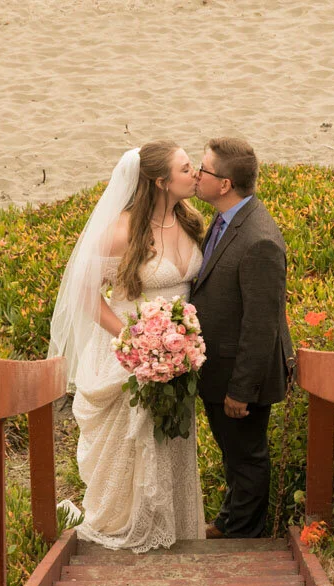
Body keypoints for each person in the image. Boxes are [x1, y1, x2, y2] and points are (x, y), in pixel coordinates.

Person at [47, 141, 207, 552]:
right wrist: (133, 339)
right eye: (186, 168)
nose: (196, 174)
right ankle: (125, 521)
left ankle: (174, 526)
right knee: (132, 445)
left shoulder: (190, 222)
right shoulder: (121, 231)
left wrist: (179, 344)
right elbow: (84, 295)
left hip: (179, 353)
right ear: (160, 181)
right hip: (130, 354)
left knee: (170, 439)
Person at [190, 137, 295, 539]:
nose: (197, 176)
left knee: (248, 456)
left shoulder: (260, 239)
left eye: (204, 170)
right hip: (222, 368)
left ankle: (245, 537)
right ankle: (231, 521)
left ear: (225, 184)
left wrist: (241, 389)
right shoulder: (225, 221)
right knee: (234, 453)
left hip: (241, 374)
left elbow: (261, 323)